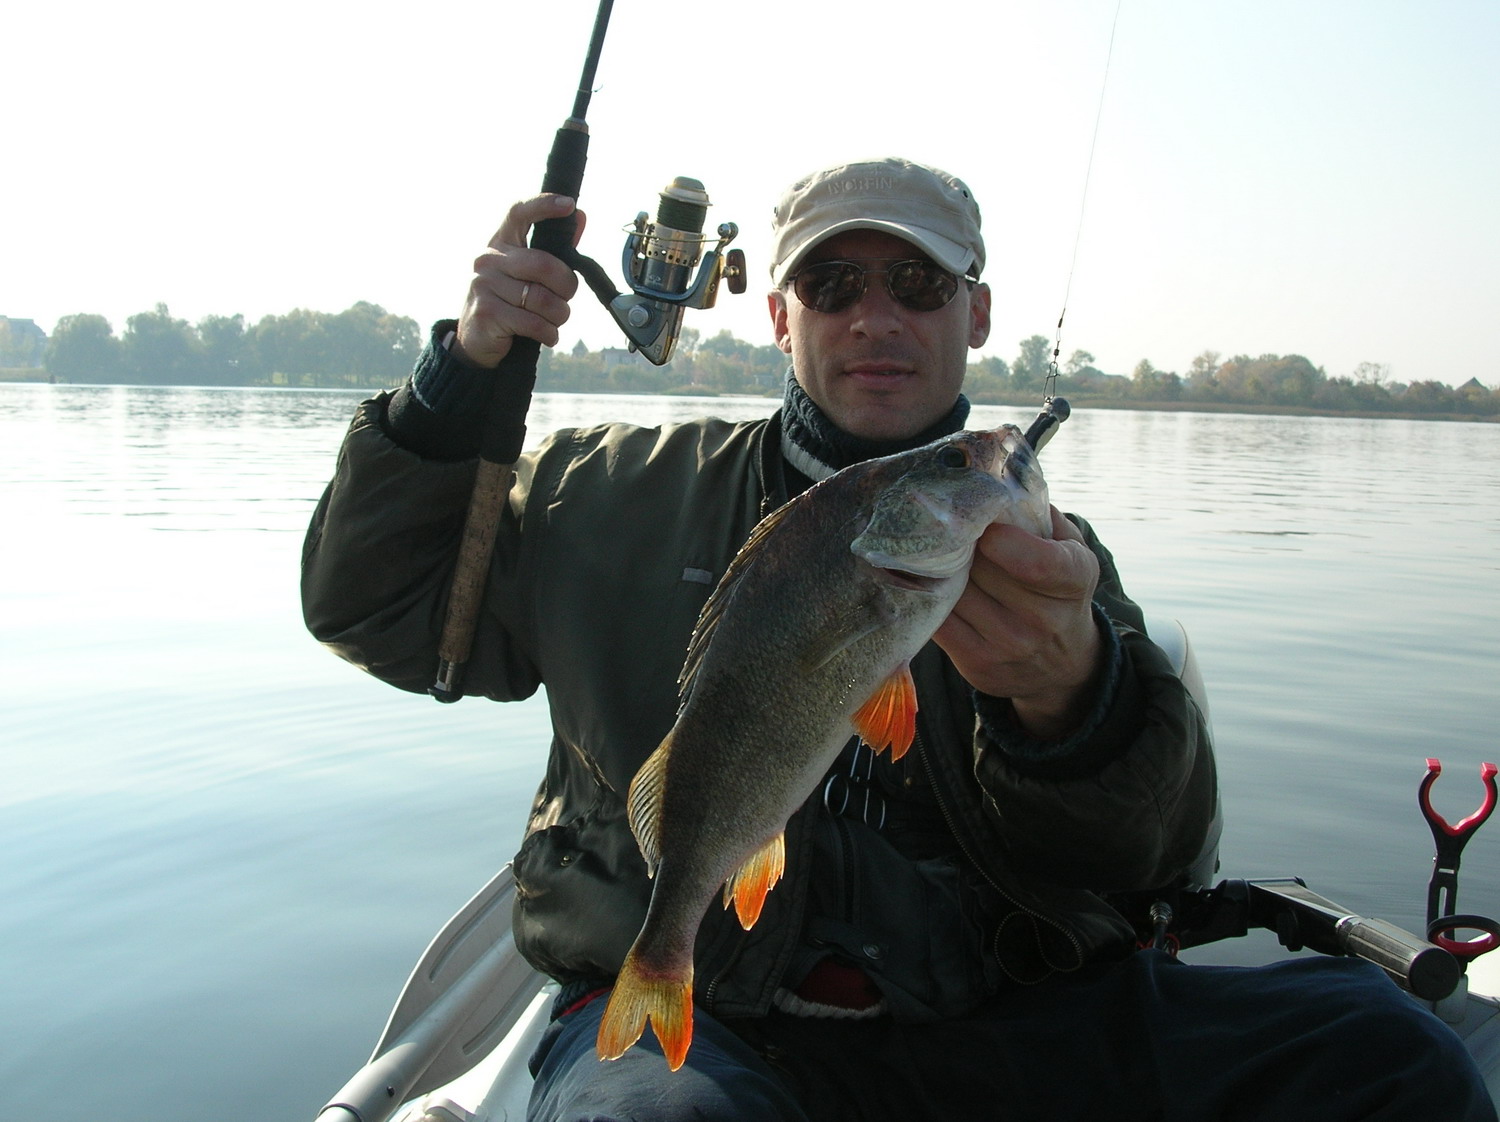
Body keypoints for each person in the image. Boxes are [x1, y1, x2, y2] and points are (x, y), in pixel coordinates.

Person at [302, 156, 1493, 1120]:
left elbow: (1151, 859)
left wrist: (1069, 702)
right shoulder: (605, 493)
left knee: (1384, 1055)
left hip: (1007, 1021)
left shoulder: (1048, 559)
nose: (877, 317)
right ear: (780, 316)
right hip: (707, 1021)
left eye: (919, 284)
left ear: (977, 312)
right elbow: (386, 618)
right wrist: (458, 385)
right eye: (833, 285)